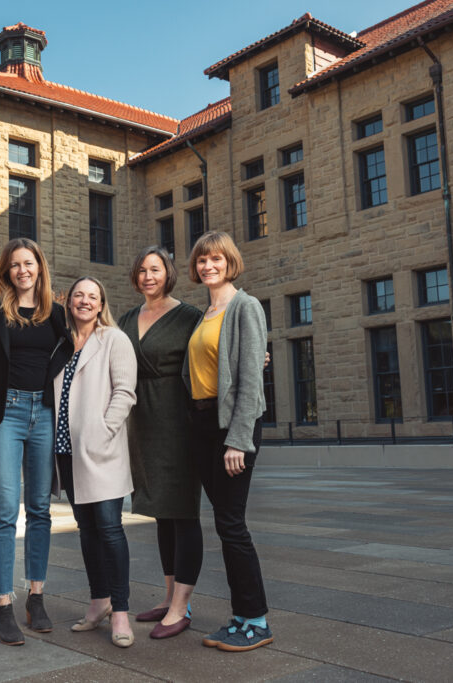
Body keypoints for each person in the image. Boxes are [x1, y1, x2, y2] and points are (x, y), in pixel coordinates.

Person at [183, 231, 273, 652]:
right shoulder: (206, 313)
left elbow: (253, 378)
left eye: (216, 259)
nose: (208, 266)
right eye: (202, 260)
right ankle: (240, 616)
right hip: (203, 425)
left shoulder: (245, 307)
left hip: (232, 428)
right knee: (223, 522)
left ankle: (256, 620)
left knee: (233, 525)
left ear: (229, 262)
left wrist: (238, 440)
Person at [0, 238, 69, 645]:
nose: (22, 270)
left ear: (39, 267)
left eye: (29, 263)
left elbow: (87, 341)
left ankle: (36, 597)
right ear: (7, 270)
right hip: (8, 413)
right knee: (4, 508)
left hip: (45, 414)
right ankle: (3, 603)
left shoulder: (57, 313)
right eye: (15, 264)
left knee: (39, 508)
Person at [117, 246, 204, 639]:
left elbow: (212, 354)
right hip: (142, 422)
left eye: (155, 269)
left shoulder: (189, 317)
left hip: (179, 421)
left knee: (183, 513)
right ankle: (170, 597)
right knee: (161, 514)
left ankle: (183, 606)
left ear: (168, 272)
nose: (147, 276)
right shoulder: (127, 318)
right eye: (141, 270)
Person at [53, 277, 138, 648]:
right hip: (66, 452)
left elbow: (125, 391)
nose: (84, 301)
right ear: (68, 301)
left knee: (109, 528)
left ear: (101, 303)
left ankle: (120, 611)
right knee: (86, 529)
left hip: (101, 450)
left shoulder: (114, 339)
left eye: (92, 296)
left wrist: (104, 429)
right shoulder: (61, 343)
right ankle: (98, 601)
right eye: (78, 295)